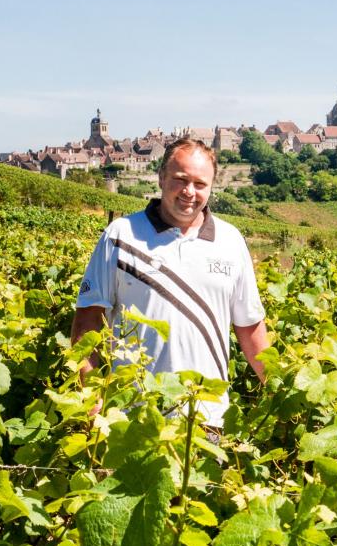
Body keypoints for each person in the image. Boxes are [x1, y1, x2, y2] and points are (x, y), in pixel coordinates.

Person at [70, 137, 269, 428]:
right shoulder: (121, 235)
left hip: (207, 419)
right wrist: (91, 400)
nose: (190, 192)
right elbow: (87, 324)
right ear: (162, 178)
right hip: (131, 417)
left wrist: (279, 391)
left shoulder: (230, 241)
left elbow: (251, 328)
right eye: (180, 180)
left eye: (200, 184)